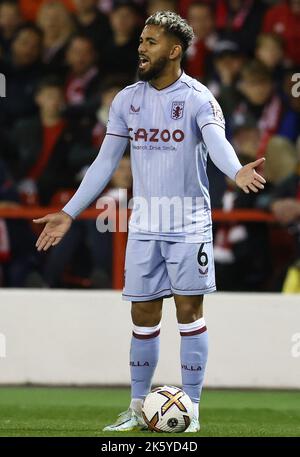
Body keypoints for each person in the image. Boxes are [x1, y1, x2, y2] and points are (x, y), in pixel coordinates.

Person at [33, 11, 265, 432]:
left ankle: (190, 409)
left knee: (189, 311)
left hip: (188, 222)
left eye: (151, 41)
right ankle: (139, 407)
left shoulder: (198, 98)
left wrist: (236, 172)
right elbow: (105, 162)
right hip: (144, 223)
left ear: (174, 50)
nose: (141, 47)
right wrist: (69, 212)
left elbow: (218, 144)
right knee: (142, 316)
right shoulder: (126, 100)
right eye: (141, 39)